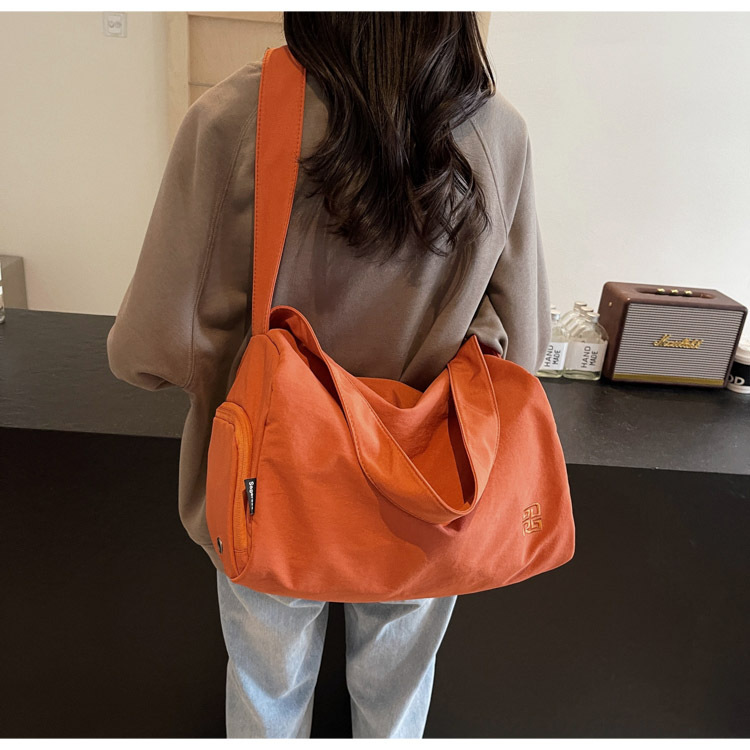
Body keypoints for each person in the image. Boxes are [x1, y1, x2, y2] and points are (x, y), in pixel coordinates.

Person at [106, 11, 551, 739]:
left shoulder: (234, 116)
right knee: (396, 699)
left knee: (267, 690)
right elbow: (524, 347)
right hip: (427, 483)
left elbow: (153, 345)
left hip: (270, 481)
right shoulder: (495, 132)